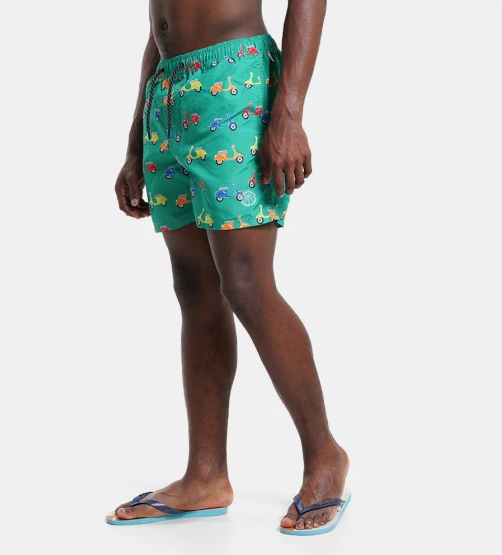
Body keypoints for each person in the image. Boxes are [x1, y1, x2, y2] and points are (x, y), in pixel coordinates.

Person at [108, 0, 350, 535]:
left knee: (245, 283)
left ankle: (325, 455)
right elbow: (160, 21)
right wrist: (135, 139)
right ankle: (206, 475)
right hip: (167, 92)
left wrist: (290, 111)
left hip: (234, 84)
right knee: (194, 288)